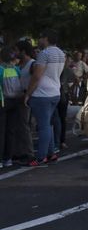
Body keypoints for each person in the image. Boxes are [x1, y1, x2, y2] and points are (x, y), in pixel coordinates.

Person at [24, 30, 66, 167]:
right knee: (47, 125)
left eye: (40, 38)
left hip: (42, 94)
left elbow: (36, 76)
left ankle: (41, 157)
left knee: (43, 126)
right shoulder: (61, 53)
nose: (39, 40)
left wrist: (28, 94)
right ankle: (51, 153)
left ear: (46, 38)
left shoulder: (44, 54)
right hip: (55, 92)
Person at [1, 47, 26, 168]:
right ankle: (8, 158)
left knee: (1, 131)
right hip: (15, 102)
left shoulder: (0, 70)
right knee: (11, 131)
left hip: (2, 102)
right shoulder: (16, 69)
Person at [13, 40, 36, 162]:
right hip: (18, 97)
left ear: (23, 51)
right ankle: (20, 151)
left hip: (27, 97)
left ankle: (29, 153)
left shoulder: (32, 64)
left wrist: (28, 95)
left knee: (25, 125)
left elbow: (36, 81)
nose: (15, 53)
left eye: (17, 50)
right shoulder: (18, 64)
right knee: (19, 126)